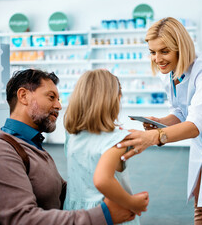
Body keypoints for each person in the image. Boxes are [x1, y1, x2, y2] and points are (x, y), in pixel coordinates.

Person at [116, 17, 202, 225]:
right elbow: (180, 111)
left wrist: (155, 137)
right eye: (152, 52)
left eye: (164, 51)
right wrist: (161, 122)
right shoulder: (169, 73)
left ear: (181, 48)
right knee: (199, 205)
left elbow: (194, 125)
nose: (157, 59)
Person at [0, 69, 135, 225]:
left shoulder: (31, 145)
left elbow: (58, 190)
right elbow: (24, 220)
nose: (58, 106)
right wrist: (104, 216)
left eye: (58, 99)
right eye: (51, 97)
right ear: (23, 96)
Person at [63, 69, 148, 225]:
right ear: (116, 100)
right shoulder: (116, 140)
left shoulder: (72, 135)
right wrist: (132, 203)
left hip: (75, 213)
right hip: (109, 214)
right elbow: (102, 180)